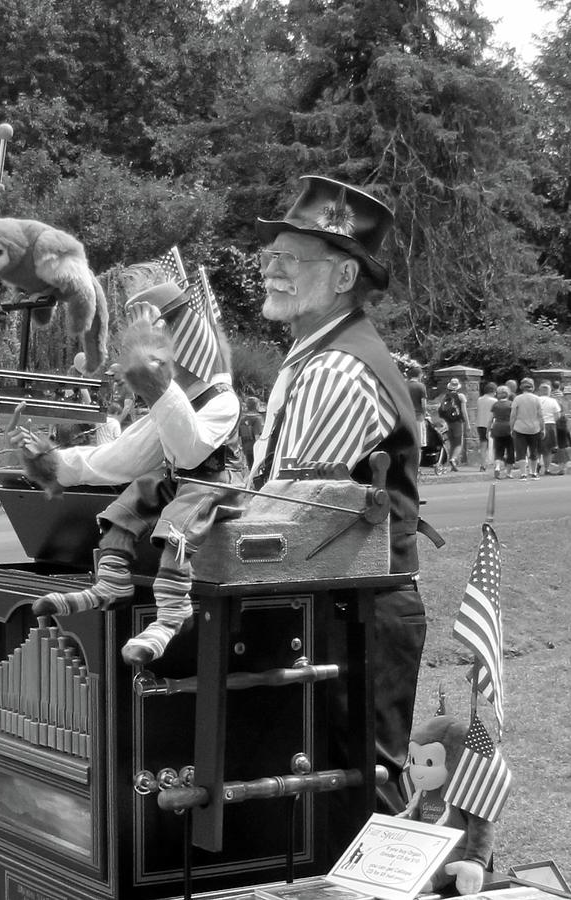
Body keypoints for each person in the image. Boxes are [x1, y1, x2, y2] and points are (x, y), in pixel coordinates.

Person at [251, 174, 430, 820]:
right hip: (334, 603)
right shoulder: (312, 354)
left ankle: (436, 868)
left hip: (357, 614)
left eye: (291, 259)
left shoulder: (339, 368)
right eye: (270, 255)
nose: (271, 270)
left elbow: (287, 510)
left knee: (363, 797)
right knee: (327, 802)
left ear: (344, 276)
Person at [11, 281, 243, 665]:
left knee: (180, 514)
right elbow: (122, 458)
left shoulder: (223, 400)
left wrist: (155, 381)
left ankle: (173, 613)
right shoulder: (176, 399)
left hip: (217, 486)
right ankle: (112, 582)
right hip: (183, 483)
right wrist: (51, 463)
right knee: (135, 496)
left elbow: (190, 450)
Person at [510, 377, 544, 479]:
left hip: (520, 428)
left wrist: (511, 428)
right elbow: (540, 416)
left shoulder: (517, 399)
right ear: (532, 388)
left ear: (521, 387)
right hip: (534, 428)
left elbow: (513, 415)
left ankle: (523, 473)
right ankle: (533, 472)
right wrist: (543, 428)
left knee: (521, 451)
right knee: (534, 451)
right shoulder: (537, 399)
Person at [437, 378, 469, 471]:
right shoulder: (461, 396)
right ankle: (453, 459)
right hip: (457, 422)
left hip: (447, 422)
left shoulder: (445, 397)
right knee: (458, 444)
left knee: (452, 443)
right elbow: (464, 411)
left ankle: (452, 466)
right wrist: (467, 423)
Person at [490, 385, 515, 479]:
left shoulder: (495, 405)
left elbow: (491, 418)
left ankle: (497, 466)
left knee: (498, 449)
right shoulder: (511, 404)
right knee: (510, 450)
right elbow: (514, 417)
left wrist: (488, 429)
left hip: (497, 427)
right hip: (509, 427)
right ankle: (509, 472)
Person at [537, 382, 561, 475]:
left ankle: (536, 466)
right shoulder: (553, 401)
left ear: (540, 391)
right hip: (550, 424)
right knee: (548, 449)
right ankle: (546, 469)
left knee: (536, 448)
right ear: (549, 391)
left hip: (537, 425)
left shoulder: (536, 400)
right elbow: (557, 415)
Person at [406, 366, 428, 460]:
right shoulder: (421, 386)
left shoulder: (404, 385)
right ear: (419, 375)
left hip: (406, 418)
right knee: (418, 444)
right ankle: (416, 465)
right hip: (418, 417)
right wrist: (425, 414)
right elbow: (424, 404)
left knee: (407, 443)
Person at [106, 362, 137, 428]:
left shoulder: (128, 386)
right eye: (110, 375)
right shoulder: (114, 385)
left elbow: (127, 408)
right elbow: (112, 403)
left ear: (119, 374)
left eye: (112, 375)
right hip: (115, 422)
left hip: (126, 424)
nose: (110, 377)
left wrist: (118, 422)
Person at [475, 382, 497, 471]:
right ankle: (494, 463)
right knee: (493, 445)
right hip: (490, 425)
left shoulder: (479, 399)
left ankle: (483, 464)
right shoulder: (494, 401)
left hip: (480, 423)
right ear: (493, 391)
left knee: (483, 444)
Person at [238, 396, 264, 469]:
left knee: (249, 467)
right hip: (254, 448)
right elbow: (257, 436)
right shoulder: (257, 419)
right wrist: (260, 450)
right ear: (256, 406)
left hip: (245, 448)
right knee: (256, 469)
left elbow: (239, 436)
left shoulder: (242, 419)